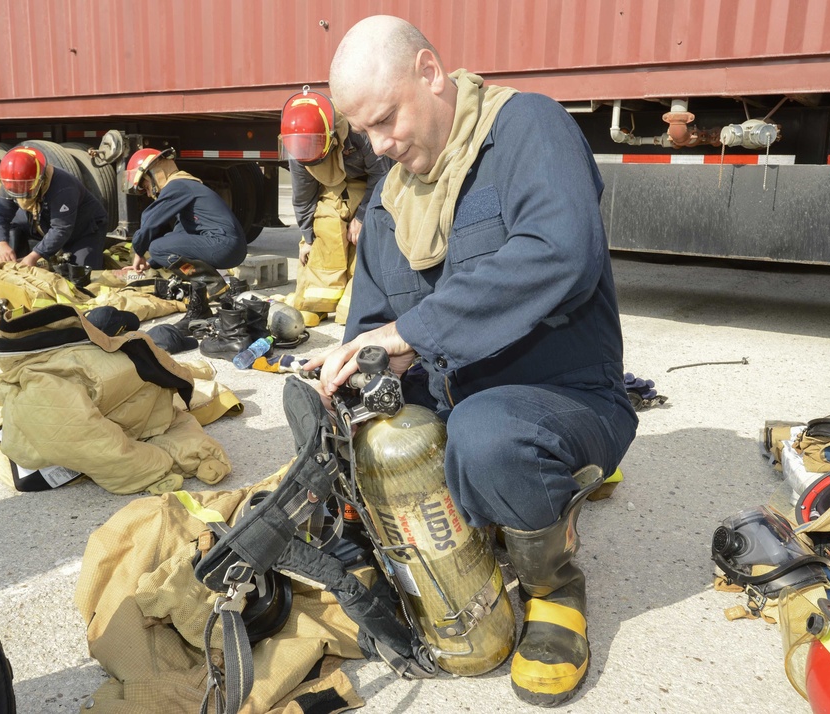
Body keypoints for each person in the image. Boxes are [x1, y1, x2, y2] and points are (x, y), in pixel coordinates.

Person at [307, 15, 638, 706]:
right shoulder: (391, 206)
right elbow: (373, 326)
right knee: (330, 415)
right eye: (362, 132)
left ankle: (553, 586)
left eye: (387, 119)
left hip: (564, 396)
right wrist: (361, 368)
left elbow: (561, 252)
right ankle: (478, 517)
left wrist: (415, 333)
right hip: (458, 404)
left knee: (487, 437)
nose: (379, 145)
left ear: (430, 73)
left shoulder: (529, 130)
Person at [279, 87, 392, 323]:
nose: (307, 152)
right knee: (326, 220)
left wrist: (361, 218)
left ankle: (355, 301)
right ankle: (317, 302)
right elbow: (303, 197)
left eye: (314, 145)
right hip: (333, 190)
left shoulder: (358, 130)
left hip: (373, 187)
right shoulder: (299, 145)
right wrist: (307, 239)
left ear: (331, 135)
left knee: (368, 233)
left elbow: (382, 176)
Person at [124, 148, 247, 271]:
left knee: (156, 247)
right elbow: (180, 234)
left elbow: (151, 219)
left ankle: (212, 285)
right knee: (165, 241)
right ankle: (202, 285)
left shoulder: (178, 185)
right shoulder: (187, 187)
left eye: (146, 187)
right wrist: (151, 263)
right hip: (232, 249)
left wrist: (138, 251)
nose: (148, 194)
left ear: (155, 173)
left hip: (223, 245)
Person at [0, 146, 108, 269]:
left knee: (81, 274)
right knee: (14, 228)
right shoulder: (12, 180)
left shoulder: (64, 187)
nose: (19, 191)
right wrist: (1, 243)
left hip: (82, 229)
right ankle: (28, 256)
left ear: (39, 180)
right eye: (15, 188)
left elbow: (61, 228)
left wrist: (34, 256)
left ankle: (93, 256)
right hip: (44, 224)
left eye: (24, 187)